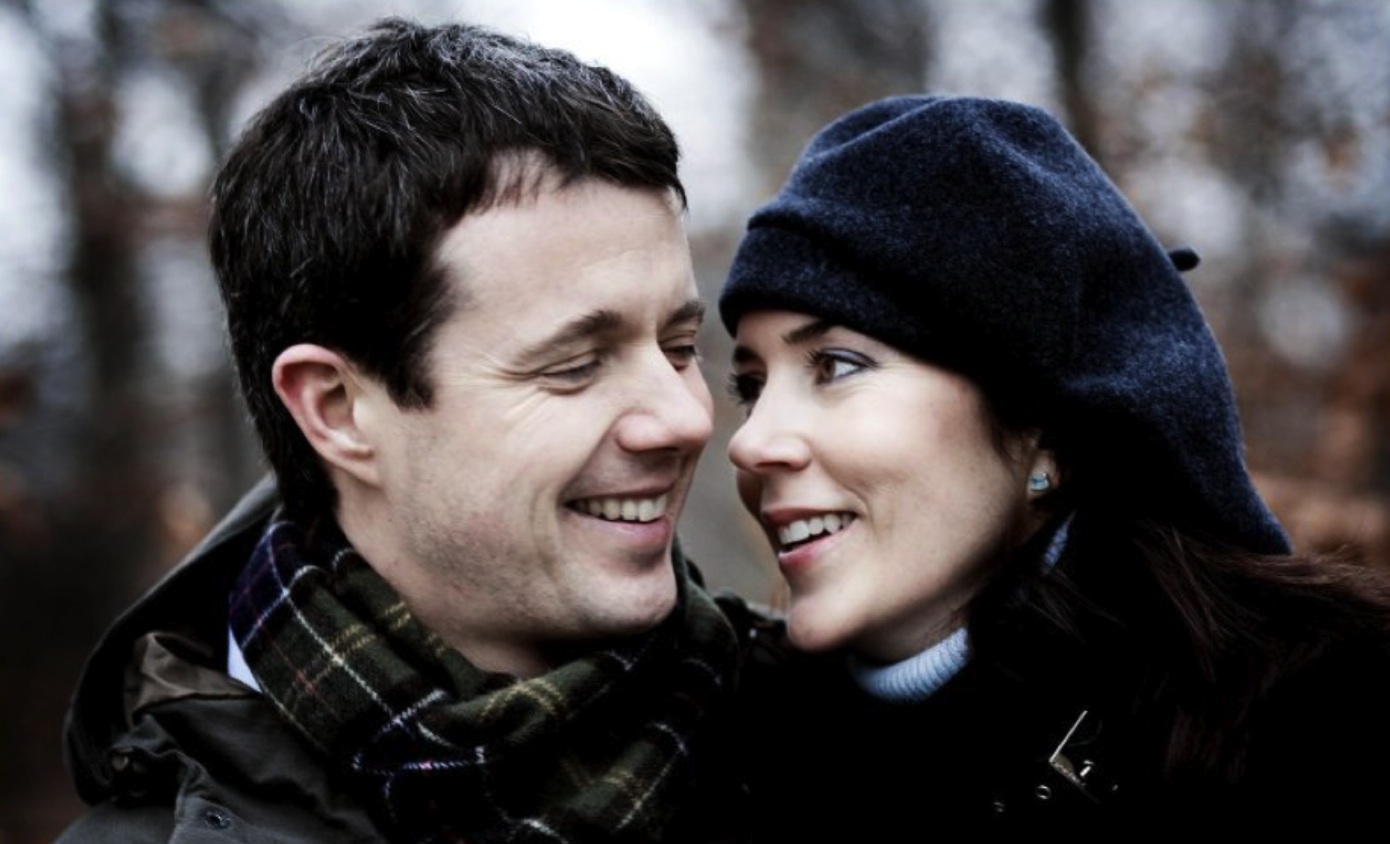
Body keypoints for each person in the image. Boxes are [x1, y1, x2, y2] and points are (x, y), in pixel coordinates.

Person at [56, 18, 750, 843]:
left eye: (679, 347)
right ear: (337, 409)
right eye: (575, 365)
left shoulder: (836, 747)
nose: (685, 418)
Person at [717, 94, 1390, 835]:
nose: (750, 442)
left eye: (838, 366)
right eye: (751, 387)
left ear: (1051, 439)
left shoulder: (1317, 721)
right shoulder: (724, 755)